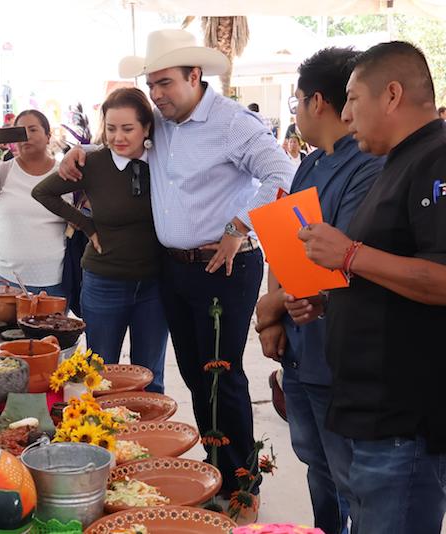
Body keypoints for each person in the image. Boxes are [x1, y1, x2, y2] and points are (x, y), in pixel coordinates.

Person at [60, 29, 294, 514]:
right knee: (192, 373)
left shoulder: (234, 124)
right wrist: (77, 154)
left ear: (194, 76)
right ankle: (215, 470)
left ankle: (243, 486)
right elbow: (121, 145)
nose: (158, 94)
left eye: (165, 82)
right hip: (173, 268)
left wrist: (239, 224)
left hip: (225, 265)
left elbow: (283, 176)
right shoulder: (160, 125)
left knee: (223, 375)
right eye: (152, 84)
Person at [296, 41, 446, 534]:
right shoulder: (396, 161)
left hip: (404, 419)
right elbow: (388, 268)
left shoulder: (435, 160)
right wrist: (330, 296)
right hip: (368, 410)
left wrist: (349, 255)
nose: (347, 113)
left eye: (354, 99)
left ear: (393, 94)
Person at [255, 47, 385, 534]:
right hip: (300, 348)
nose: (295, 114)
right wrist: (272, 317)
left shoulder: (366, 167)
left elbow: (331, 265)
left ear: (317, 102)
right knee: (315, 463)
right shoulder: (310, 165)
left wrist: (270, 305)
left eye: (295, 103)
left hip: (338, 352)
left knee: (350, 475)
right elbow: (283, 245)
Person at [32, 88, 168, 392]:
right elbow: (43, 192)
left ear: (146, 128)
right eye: (111, 128)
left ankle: (145, 439)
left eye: (127, 128)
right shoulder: (92, 164)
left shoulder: (165, 164)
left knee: (150, 378)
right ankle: (100, 439)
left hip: (155, 286)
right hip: (104, 283)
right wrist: (86, 225)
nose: (118, 137)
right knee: (100, 376)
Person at [0, 110, 67, 295]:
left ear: (48, 137)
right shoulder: (3, 171)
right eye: (21, 132)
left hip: (54, 282)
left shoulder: (65, 174)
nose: (27, 137)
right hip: (8, 281)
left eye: (33, 130)